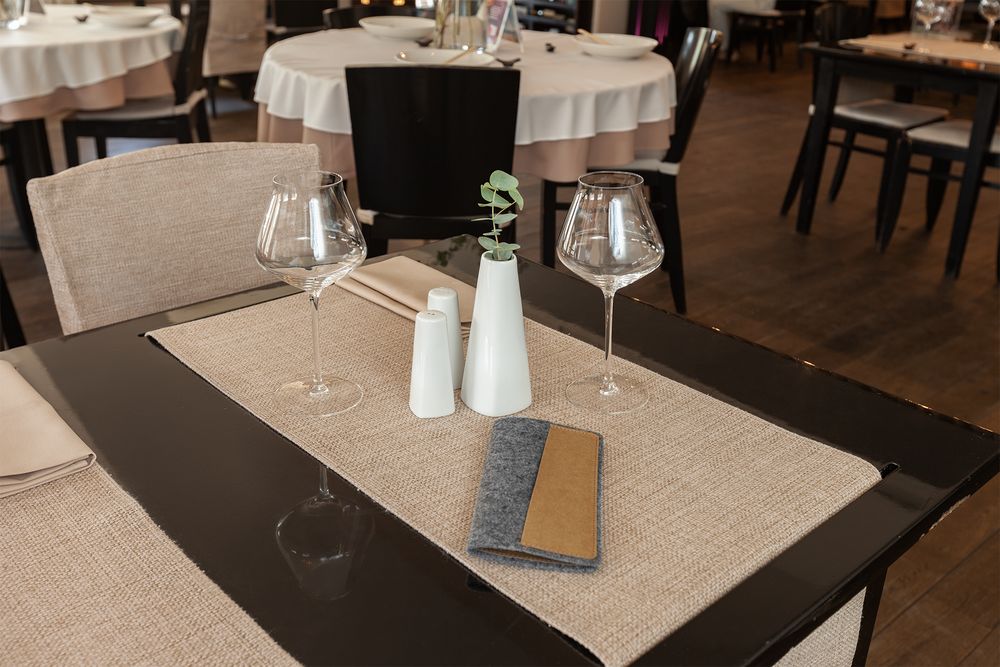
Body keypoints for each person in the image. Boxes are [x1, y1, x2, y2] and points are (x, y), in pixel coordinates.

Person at [707, 0, 777, 54]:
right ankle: (723, 47)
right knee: (716, 3)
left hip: (760, 3)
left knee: (715, 3)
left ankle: (722, 48)